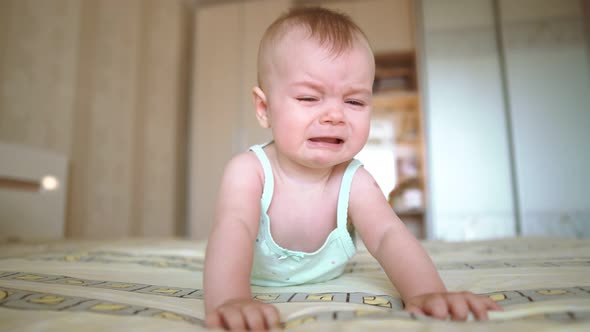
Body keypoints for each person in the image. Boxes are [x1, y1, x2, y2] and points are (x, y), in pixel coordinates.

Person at [203, 7, 501, 331]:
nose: (335, 115)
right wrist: (229, 299)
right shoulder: (249, 171)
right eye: (308, 98)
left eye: (355, 102)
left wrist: (426, 292)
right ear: (264, 108)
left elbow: (389, 237)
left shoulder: (354, 181)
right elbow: (235, 228)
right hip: (248, 281)